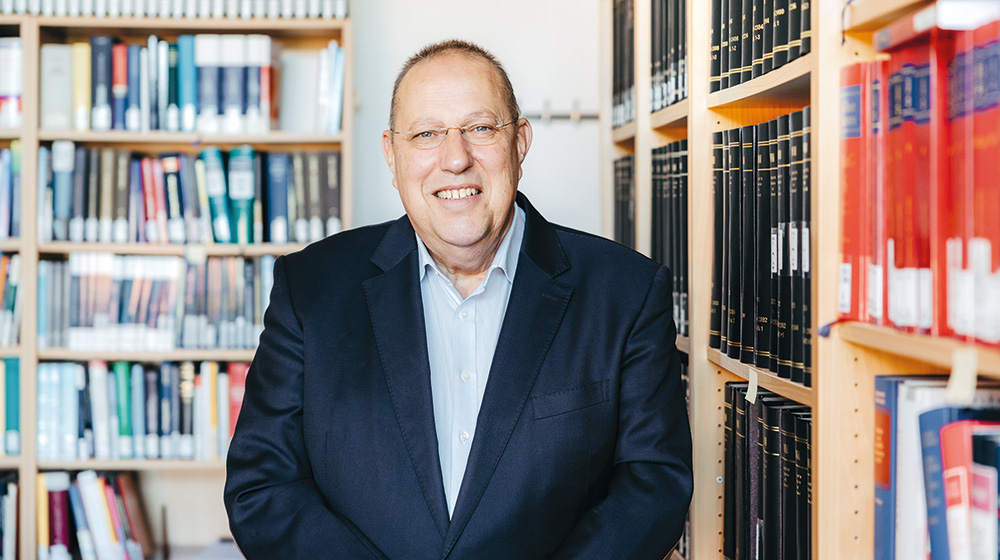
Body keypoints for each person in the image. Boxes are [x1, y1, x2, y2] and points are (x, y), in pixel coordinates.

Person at [224, 39, 693, 559]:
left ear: (519, 143)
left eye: (481, 128)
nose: (455, 159)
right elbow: (261, 486)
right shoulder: (310, 287)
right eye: (427, 134)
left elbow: (652, 483)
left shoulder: (626, 292)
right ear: (392, 154)